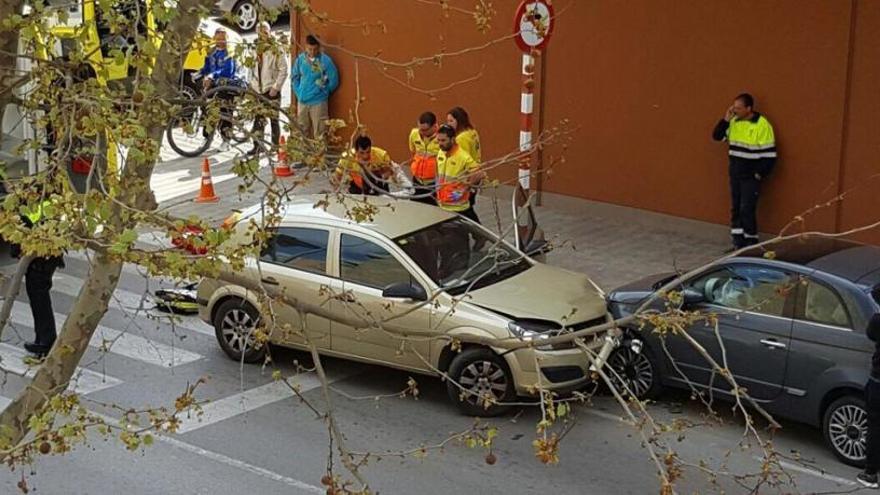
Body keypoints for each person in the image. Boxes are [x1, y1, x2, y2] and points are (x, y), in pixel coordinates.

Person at [712, 93, 777, 250]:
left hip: (750, 176)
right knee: (736, 209)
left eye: (738, 108)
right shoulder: (734, 122)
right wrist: (725, 120)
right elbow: (717, 136)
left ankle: (751, 244)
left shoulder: (762, 125)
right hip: (735, 174)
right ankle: (738, 243)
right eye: (734, 107)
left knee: (746, 209)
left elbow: (770, 155)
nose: (735, 110)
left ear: (749, 108)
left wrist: (758, 174)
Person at [8, 184, 65, 358]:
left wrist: (16, 251)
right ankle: (44, 339)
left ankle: (45, 341)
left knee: (39, 296)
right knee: (39, 295)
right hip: (48, 252)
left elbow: (22, 224)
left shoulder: (26, 203)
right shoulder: (44, 195)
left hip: (41, 256)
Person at [246, 21, 288, 157]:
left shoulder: (276, 48)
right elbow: (250, 67)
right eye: (260, 31)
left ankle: (275, 146)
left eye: (265, 31)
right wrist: (251, 85)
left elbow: (284, 69)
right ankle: (257, 146)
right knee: (258, 120)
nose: (262, 34)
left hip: (271, 89)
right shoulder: (253, 48)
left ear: (269, 32)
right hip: (257, 89)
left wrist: (276, 88)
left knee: (273, 120)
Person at [200, 28, 245, 152]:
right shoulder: (211, 51)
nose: (220, 41)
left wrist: (212, 75)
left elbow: (227, 71)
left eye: (223, 39)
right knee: (206, 109)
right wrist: (200, 73)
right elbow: (207, 67)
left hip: (227, 85)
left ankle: (226, 140)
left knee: (225, 111)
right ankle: (207, 137)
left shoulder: (230, 52)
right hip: (214, 85)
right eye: (218, 39)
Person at [292, 35, 339, 141]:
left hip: (318, 102)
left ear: (319, 47)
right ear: (305, 47)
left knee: (320, 133)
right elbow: (294, 77)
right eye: (310, 49)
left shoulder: (325, 61)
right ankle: (303, 156)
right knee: (301, 132)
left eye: (315, 49)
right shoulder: (301, 60)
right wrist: (298, 91)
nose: (312, 52)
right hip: (302, 101)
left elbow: (334, 80)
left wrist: (324, 91)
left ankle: (320, 157)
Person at [435, 124, 485, 223]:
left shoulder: (463, 157)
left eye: (443, 140)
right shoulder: (441, 153)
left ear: (452, 139)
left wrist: (464, 189)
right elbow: (439, 172)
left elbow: (480, 174)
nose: (440, 144)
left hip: (459, 207)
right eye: (439, 140)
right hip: (443, 204)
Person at [446, 107, 482, 208]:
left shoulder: (461, 138)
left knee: (463, 207)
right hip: (475, 173)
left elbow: (462, 160)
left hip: (466, 179)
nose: (448, 124)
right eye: (448, 121)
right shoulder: (472, 132)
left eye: (451, 121)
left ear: (459, 120)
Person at [860, 314, 880, 488]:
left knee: (874, 426)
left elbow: (871, 334)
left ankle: (871, 473)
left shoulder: (877, 320)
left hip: (878, 382)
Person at [408, 111, 440, 205]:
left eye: (425, 130)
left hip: (434, 182)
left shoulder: (442, 137)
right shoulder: (414, 134)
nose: (421, 132)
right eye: (420, 129)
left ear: (434, 126)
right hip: (417, 180)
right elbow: (413, 152)